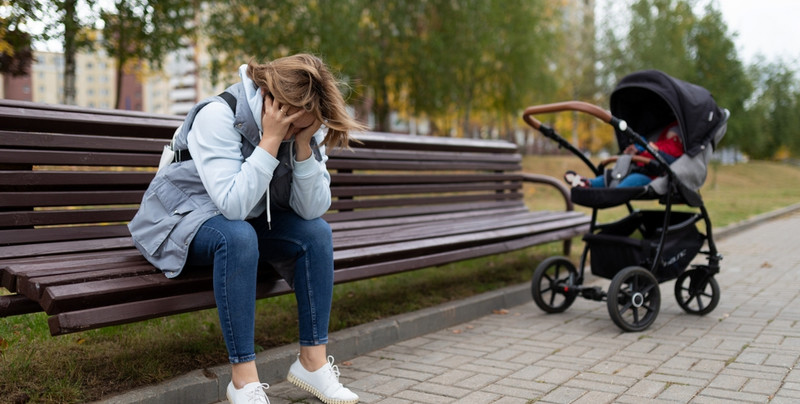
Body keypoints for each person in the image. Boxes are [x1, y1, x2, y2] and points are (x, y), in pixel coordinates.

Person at [128, 54, 365, 404]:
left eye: (307, 127)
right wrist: (270, 140)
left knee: (316, 234)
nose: (301, 132)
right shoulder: (218, 115)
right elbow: (233, 206)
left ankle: (312, 363)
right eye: (297, 127)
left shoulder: (302, 124)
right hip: (180, 220)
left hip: (245, 218)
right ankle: (243, 380)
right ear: (274, 102)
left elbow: (312, 210)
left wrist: (302, 147)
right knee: (237, 236)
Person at [564, 121, 684, 188]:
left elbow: (674, 164)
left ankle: (610, 194)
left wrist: (656, 151)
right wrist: (636, 151)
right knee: (612, 175)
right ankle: (586, 182)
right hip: (633, 167)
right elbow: (644, 152)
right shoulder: (659, 142)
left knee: (630, 180)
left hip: (651, 176)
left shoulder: (677, 149)